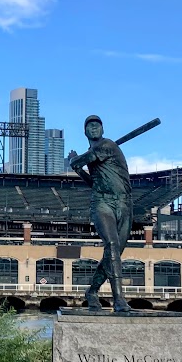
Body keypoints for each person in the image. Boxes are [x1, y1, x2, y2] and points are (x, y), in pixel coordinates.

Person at [69, 115, 132, 312]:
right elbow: (94, 184)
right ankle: (119, 299)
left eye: (97, 125)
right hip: (102, 202)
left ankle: (92, 291)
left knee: (114, 254)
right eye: (90, 126)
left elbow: (83, 159)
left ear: (103, 129)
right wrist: (79, 170)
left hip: (124, 203)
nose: (94, 128)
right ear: (85, 132)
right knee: (112, 245)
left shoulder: (107, 145)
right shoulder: (93, 155)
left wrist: (74, 161)